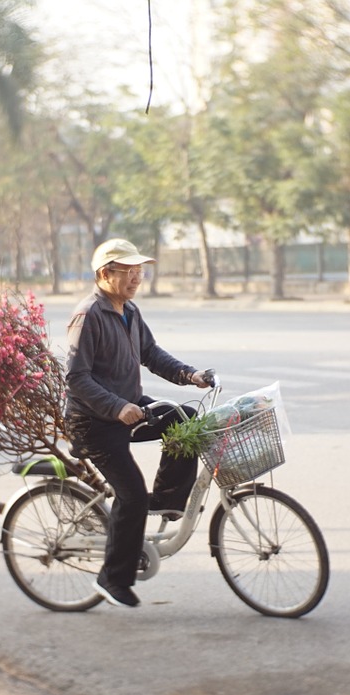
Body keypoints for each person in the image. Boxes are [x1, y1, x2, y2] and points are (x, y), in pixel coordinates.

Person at [64, 238, 213, 609]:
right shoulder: (89, 316)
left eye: (139, 271)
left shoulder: (129, 311)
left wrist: (189, 374)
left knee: (185, 420)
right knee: (130, 494)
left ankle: (167, 499)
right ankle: (111, 578)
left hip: (127, 406)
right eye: (127, 272)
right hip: (94, 422)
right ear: (104, 274)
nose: (136, 278)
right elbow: (76, 378)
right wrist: (116, 407)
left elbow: (151, 354)